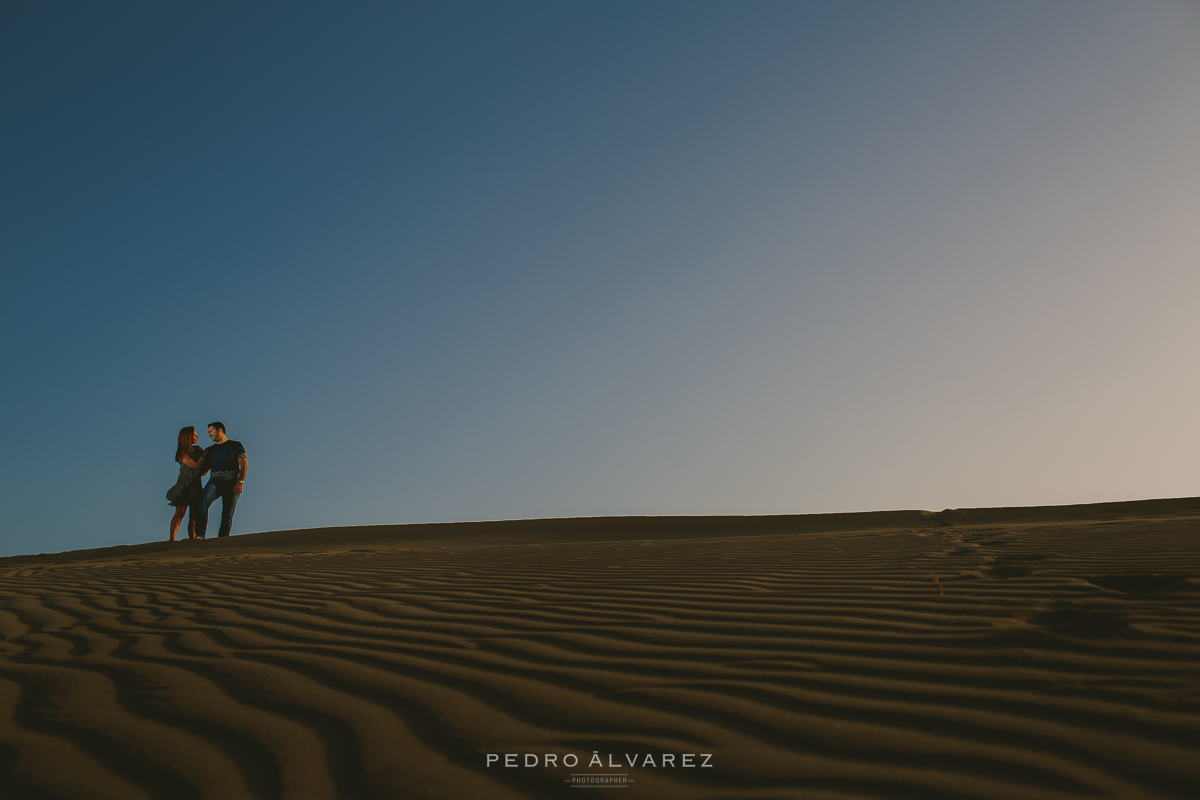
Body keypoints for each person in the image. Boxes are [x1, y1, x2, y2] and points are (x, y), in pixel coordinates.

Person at [193, 421, 248, 539]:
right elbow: (204, 469)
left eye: (211, 431)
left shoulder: (235, 445)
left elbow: (243, 465)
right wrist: (188, 475)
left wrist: (240, 482)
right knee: (202, 502)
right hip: (215, 481)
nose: (209, 434)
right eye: (208, 432)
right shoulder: (211, 450)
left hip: (232, 482)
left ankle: (222, 540)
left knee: (227, 514)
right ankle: (200, 535)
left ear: (219, 430)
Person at [166, 426, 208, 541]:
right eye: (194, 435)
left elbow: (203, 468)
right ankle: (171, 540)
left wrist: (205, 465)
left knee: (193, 517)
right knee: (180, 512)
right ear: (188, 437)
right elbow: (195, 465)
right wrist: (204, 455)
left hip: (196, 485)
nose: (197, 437)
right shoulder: (181, 453)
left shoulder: (198, 449)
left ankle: (192, 541)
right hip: (183, 486)